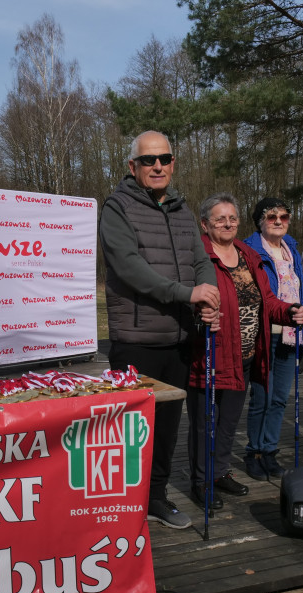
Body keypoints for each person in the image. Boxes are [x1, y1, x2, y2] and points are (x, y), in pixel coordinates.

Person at [100, 131, 220, 529]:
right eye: (149, 160)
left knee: (168, 428)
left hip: (179, 338)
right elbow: (129, 267)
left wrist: (209, 294)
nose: (157, 166)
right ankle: (119, 506)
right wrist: (186, 293)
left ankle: (156, 497)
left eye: (165, 159)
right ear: (132, 166)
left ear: (173, 164)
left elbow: (202, 260)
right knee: (129, 431)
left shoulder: (183, 211)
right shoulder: (117, 207)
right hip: (138, 341)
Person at [186, 193, 303, 510]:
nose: (228, 224)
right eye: (220, 219)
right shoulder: (197, 256)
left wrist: (289, 311)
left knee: (229, 422)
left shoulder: (248, 254)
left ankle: (219, 474)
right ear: (205, 224)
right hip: (210, 355)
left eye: (232, 218)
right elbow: (184, 299)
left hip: (244, 356)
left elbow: (267, 300)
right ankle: (201, 481)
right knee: (206, 423)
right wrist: (196, 314)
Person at [241, 197, 303, 480]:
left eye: (284, 216)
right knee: (262, 397)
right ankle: (253, 452)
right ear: (260, 221)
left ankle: (269, 452)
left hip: (292, 336)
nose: (279, 221)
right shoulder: (250, 250)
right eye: (272, 217)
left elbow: (301, 297)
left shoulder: (291, 249)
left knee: (280, 399)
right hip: (264, 334)